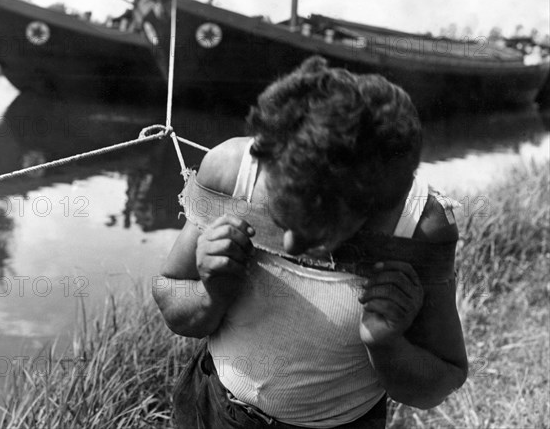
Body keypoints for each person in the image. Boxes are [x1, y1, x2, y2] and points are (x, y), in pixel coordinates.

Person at [153, 56, 468, 428]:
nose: (291, 242)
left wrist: (386, 344)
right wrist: (211, 292)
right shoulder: (229, 171)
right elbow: (171, 296)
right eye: (282, 216)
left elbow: (434, 387)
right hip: (213, 412)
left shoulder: (421, 224)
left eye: (316, 229)